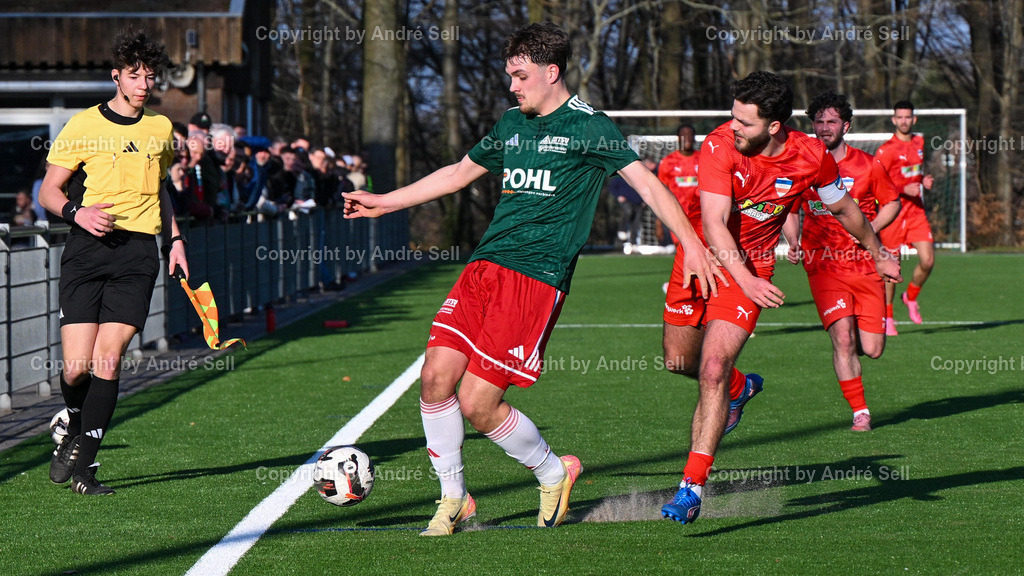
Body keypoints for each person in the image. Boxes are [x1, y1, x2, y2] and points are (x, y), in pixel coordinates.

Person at [343, 22, 722, 536]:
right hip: (482, 268)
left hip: (535, 279)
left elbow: (649, 188)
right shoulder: (510, 124)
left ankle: (552, 472)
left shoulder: (592, 128)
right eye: (509, 77)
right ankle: (454, 499)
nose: (513, 86)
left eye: (520, 76)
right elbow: (457, 173)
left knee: (479, 404)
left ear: (551, 72)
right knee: (434, 379)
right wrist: (383, 202)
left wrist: (693, 244)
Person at [658, 71, 903, 526]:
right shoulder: (719, 145)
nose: (732, 127)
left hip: (750, 270)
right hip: (697, 261)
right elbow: (713, 222)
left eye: (744, 122)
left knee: (712, 367)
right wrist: (743, 279)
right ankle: (740, 388)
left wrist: (879, 252)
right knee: (678, 362)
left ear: (774, 126)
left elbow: (846, 209)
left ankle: (691, 487)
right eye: (733, 117)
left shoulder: (810, 157)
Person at [38, 30, 188, 495]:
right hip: (86, 249)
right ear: (117, 77)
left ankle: (86, 466)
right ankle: (76, 427)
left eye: (150, 76)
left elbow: (162, 190)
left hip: (138, 254)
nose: (144, 84)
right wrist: (76, 212)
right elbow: (47, 192)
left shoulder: (161, 129)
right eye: (135, 76)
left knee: (108, 359)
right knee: (75, 368)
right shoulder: (83, 125)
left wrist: (176, 239)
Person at [782, 90, 901, 432]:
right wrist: (792, 240)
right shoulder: (802, 166)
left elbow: (891, 202)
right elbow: (790, 208)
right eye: (818, 121)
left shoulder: (868, 164)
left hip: (865, 264)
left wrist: (869, 229)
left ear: (845, 126)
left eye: (831, 121)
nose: (824, 127)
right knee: (843, 339)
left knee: (873, 349)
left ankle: (858, 351)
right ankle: (860, 411)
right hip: (824, 266)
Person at [875, 101, 935, 334]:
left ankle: (910, 296)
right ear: (894, 120)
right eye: (899, 117)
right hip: (893, 214)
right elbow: (879, 181)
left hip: (916, 212)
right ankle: (888, 318)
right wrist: (902, 189)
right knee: (893, 267)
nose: (903, 121)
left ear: (914, 119)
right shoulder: (886, 150)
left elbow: (914, 175)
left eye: (907, 117)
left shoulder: (919, 143)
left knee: (928, 260)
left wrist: (922, 181)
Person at [610, 156, 651, 247]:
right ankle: (622, 232)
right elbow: (612, 187)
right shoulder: (622, 173)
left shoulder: (643, 175)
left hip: (639, 202)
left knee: (636, 222)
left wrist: (645, 199)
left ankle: (633, 243)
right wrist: (618, 196)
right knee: (628, 212)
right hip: (626, 201)